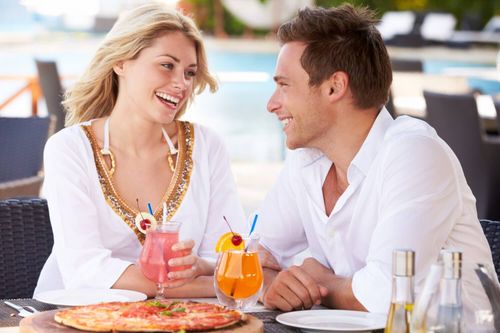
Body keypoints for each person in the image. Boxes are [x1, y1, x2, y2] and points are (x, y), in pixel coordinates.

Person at [256, 4, 494, 313]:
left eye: (284, 85)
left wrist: (319, 282)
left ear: (334, 86)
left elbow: (385, 297)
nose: (271, 104)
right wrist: (270, 284)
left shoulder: (414, 154)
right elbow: (254, 257)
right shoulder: (307, 159)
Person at [34, 2, 246, 298]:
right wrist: (217, 284)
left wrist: (201, 266)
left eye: (189, 72)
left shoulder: (208, 147)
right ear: (120, 62)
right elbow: (85, 271)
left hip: (187, 319)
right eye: (167, 65)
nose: (180, 84)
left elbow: (227, 253)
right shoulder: (69, 149)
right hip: (80, 318)